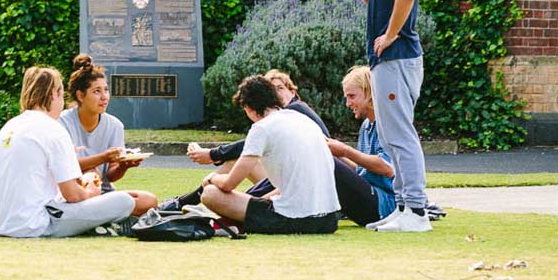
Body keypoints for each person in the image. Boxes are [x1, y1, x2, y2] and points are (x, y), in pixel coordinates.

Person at [348, 0, 430, 233]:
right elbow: (387, 3)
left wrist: (391, 35)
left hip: (397, 58)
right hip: (390, 59)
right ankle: (402, 207)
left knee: (399, 134)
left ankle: (416, 210)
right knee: (392, 132)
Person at [0, 66, 147, 238]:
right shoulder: (53, 129)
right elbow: (73, 195)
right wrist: (91, 192)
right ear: (53, 94)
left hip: (1, 223)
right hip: (38, 224)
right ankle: (102, 226)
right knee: (123, 201)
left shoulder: (9, 127)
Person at [199, 75, 340, 235]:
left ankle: (233, 222)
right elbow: (291, 186)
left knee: (210, 193)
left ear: (248, 108)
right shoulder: (303, 120)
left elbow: (228, 184)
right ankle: (234, 221)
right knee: (259, 200)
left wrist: (211, 178)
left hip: (293, 219)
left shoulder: (262, 128)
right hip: (329, 220)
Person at [166, 70, 327, 209]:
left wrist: (212, 174)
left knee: (212, 193)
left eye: (281, 88)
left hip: (301, 205)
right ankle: (185, 203)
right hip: (319, 203)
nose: (279, 93)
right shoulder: (294, 117)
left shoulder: (279, 120)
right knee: (233, 175)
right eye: (274, 89)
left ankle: (186, 203)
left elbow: (232, 179)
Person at [58, 53, 158, 212]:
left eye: (106, 90)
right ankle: (107, 216)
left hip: (104, 194)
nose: (104, 97)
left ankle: (99, 216)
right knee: (92, 173)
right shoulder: (62, 123)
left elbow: (110, 176)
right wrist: (103, 157)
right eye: (96, 91)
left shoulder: (114, 125)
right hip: (74, 193)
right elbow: (64, 167)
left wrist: (123, 166)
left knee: (148, 200)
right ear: (80, 95)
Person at [326, 66, 398, 228]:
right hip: (371, 199)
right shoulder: (366, 125)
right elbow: (362, 169)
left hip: (384, 205)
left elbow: (387, 168)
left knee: (326, 162)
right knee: (325, 158)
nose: (348, 104)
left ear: (370, 93)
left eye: (352, 96)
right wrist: (337, 153)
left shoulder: (386, 123)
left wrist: (345, 151)